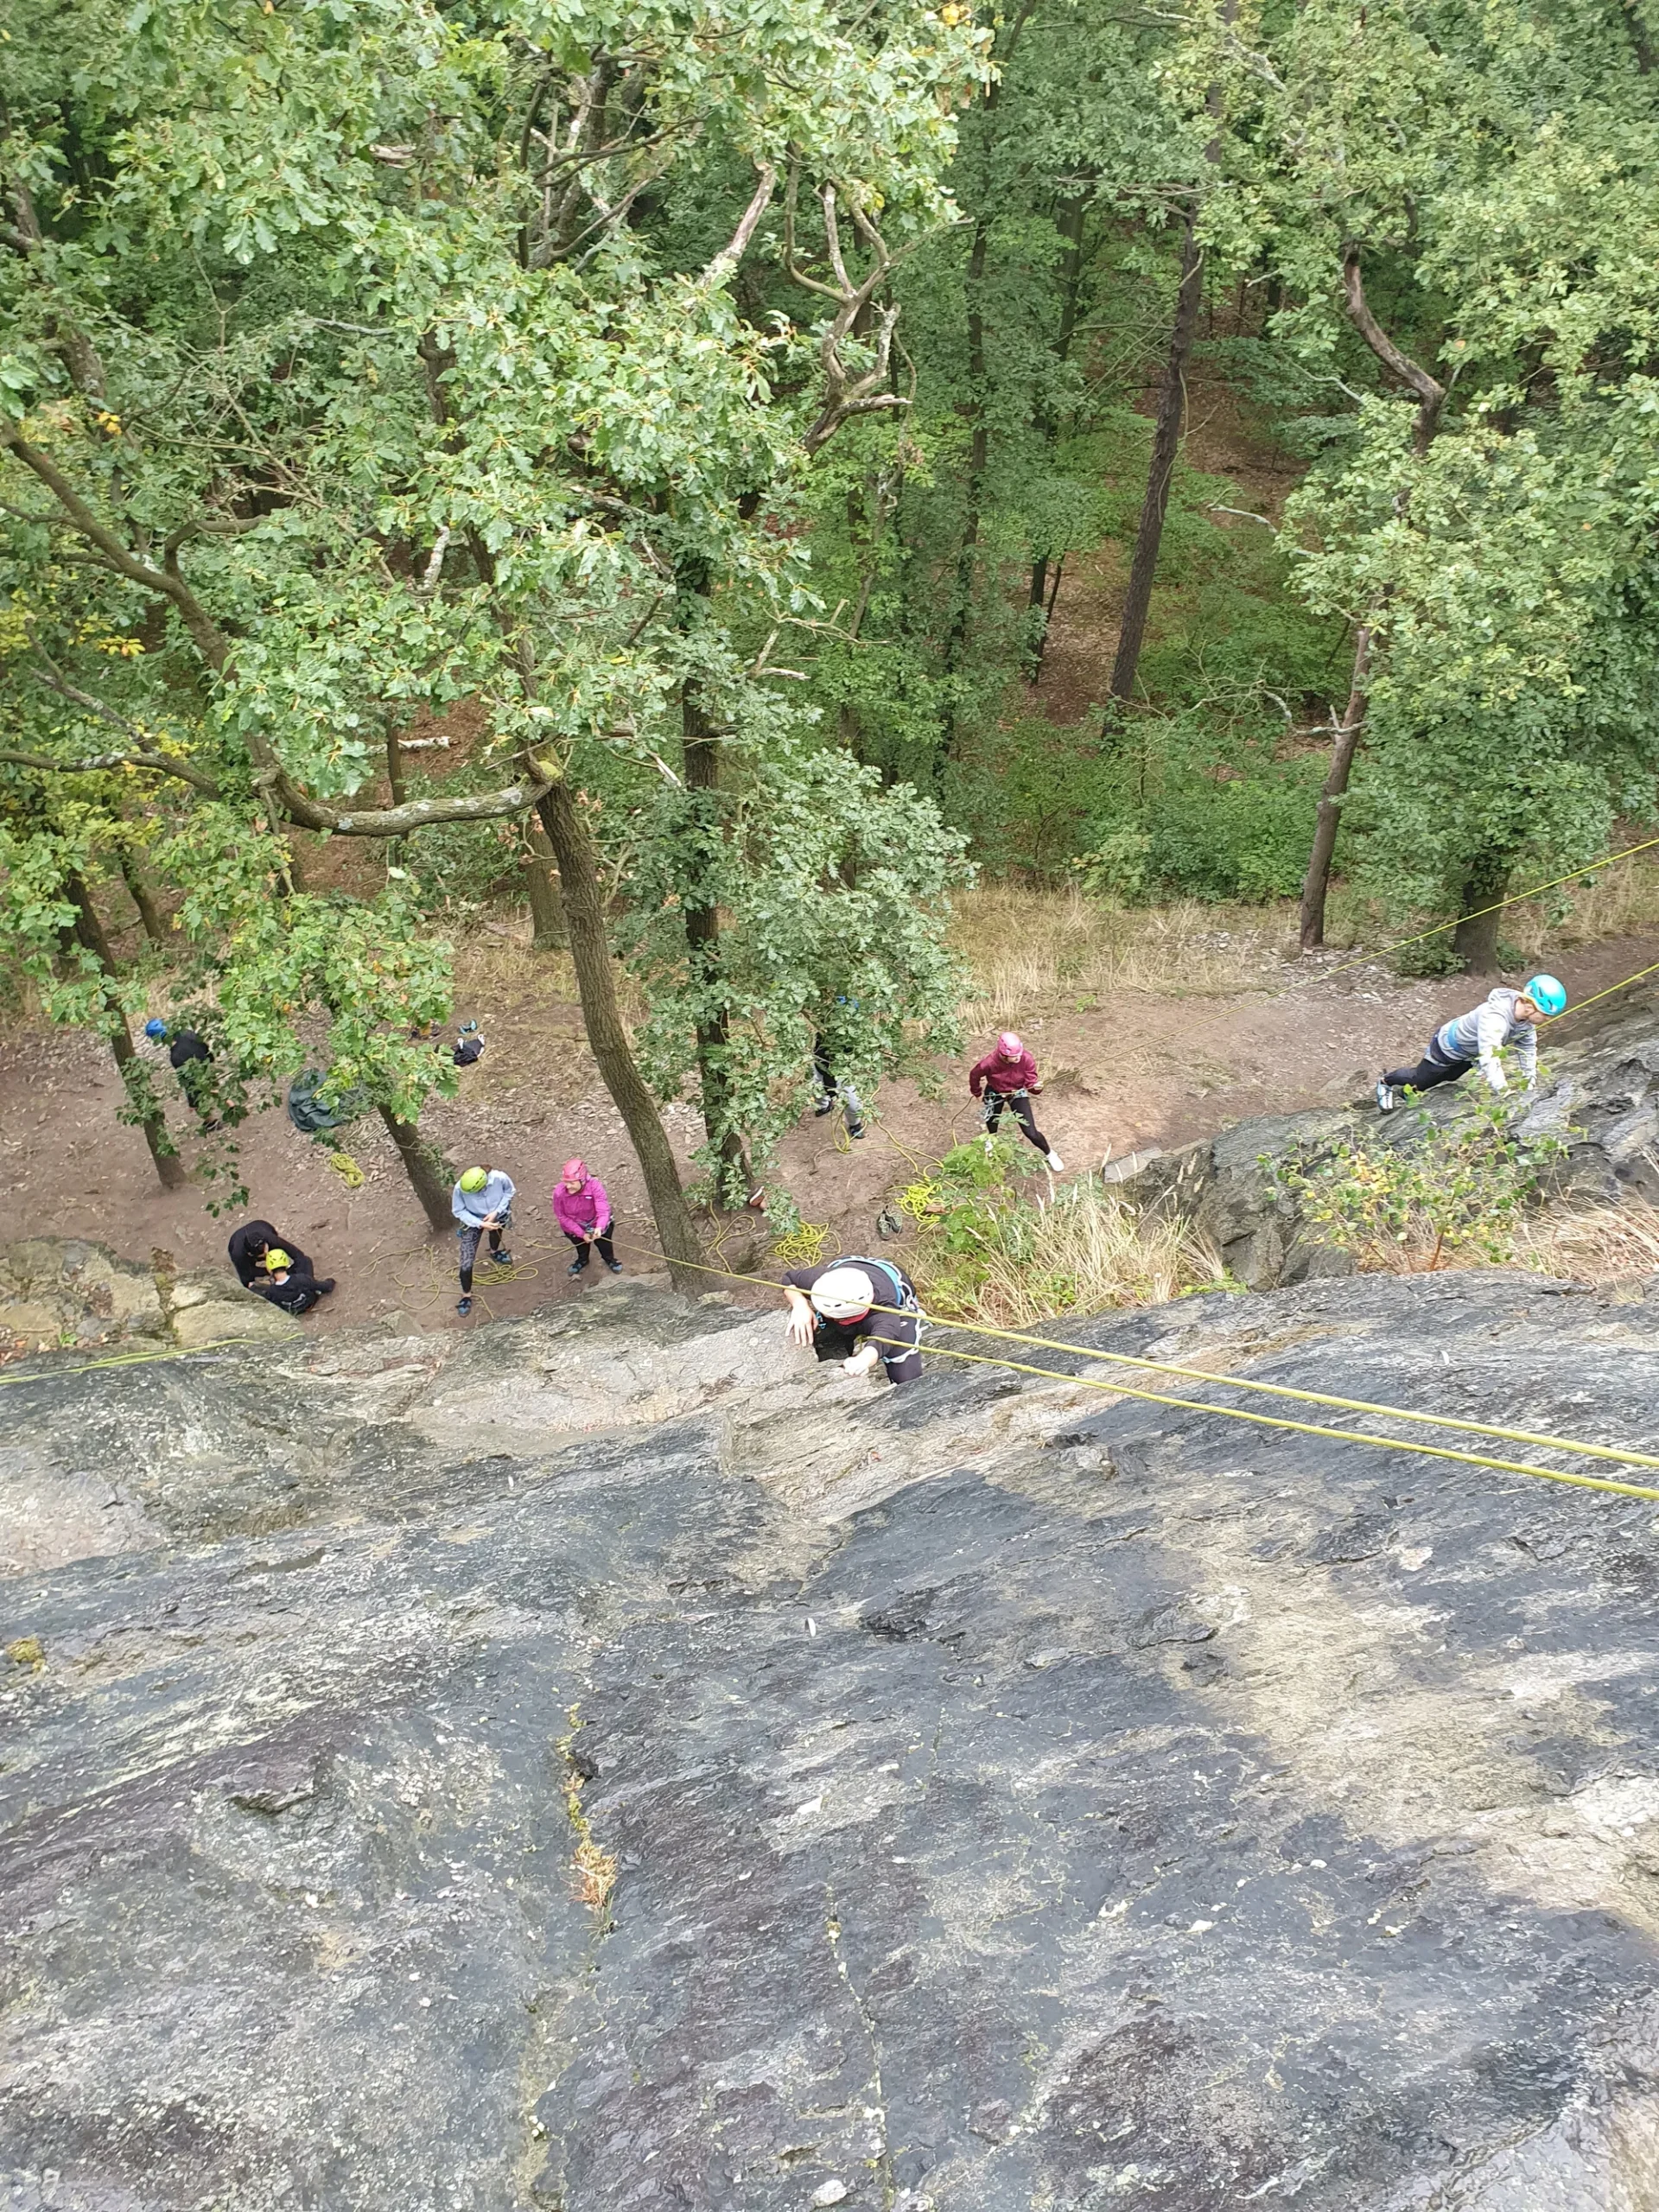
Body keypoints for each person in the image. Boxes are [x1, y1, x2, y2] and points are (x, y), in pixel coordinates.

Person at [1376, 975, 1567, 1112]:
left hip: (1469, 1054)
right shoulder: (1495, 1017)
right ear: (1529, 1005)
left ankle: (1409, 1093)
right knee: (1419, 1078)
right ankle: (1386, 1082)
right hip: (1448, 1047)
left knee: (1449, 1078)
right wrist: (1504, 1093)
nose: (1546, 1019)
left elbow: (1527, 1049)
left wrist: (1529, 1083)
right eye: (1545, 1015)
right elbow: (1490, 1056)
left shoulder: (1525, 1022)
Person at [781, 1257, 923, 1386]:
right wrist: (800, 1305)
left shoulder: (885, 1312)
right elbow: (789, 1279)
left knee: (907, 1378)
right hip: (848, 1269)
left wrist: (863, 1361)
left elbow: (884, 1339)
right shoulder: (821, 1282)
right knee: (827, 1346)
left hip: (896, 1289)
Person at [968, 1031, 1064, 1171]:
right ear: (1004, 1055)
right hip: (995, 1091)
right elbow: (974, 1075)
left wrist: (1036, 1088)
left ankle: (1050, 1154)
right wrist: (977, 1092)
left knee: (1030, 1132)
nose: (1018, 1057)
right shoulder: (988, 1063)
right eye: (1014, 1056)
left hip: (1017, 1092)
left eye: (1019, 1053)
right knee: (992, 1121)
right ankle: (992, 1140)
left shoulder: (1026, 1059)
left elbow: (1031, 1084)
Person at [452, 1164, 515, 1314]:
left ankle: (494, 1251)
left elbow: (509, 1191)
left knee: (496, 1233)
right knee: (466, 1263)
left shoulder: (499, 1178)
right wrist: (480, 1223)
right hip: (472, 1222)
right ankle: (466, 1295)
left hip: (497, 1215)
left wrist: (496, 1212)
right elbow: (458, 1210)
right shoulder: (460, 1188)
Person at [552, 1158, 622, 1277]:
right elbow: (561, 1216)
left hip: (597, 1223)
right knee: (581, 1246)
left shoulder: (594, 1186)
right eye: (566, 1182)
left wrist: (600, 1227)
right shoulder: (559, 1193)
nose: (568, 1186)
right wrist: (581, 1233)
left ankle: (609, 1259)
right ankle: (583, 1260)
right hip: (574, 1227)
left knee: (604, 1244)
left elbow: (603, 1209)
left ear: (582, 1180)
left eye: (572, 1183)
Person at [145, 1017, 219, 1129]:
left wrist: (192, 1102)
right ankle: (232, 1108)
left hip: (197, 1076)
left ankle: (211, 1122)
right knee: (216, 1089)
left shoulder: (176, 1057)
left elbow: (188, 1082)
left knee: (200, 1103)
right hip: (207, 1065)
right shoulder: (187, 1033)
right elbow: (204, 1045)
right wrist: (210, 1059)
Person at [227, 1219, 317, 1289]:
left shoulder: (270, 1239)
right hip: (238, 1246)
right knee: (247, 1281)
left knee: (303, 1261)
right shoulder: (238, 1254)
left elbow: (297, 1254)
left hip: (262, 1226)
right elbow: (248, 1273)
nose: (267, 1254)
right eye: (264, 1256)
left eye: (267, 1250)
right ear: (253, 1255)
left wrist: (302, 1276)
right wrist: (275, 1271)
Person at [248, 1247, 334, 1315]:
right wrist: (330, 1282)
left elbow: (268, 1298)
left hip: (292, 1310)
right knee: (306, 1261)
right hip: (308, 1302)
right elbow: (325, 1287)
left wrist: (252, 1288)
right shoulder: (301, 1279)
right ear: (286, 1264)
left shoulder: (272, 1291)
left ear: (269, 1269)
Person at [811, 1033, 865, 1139]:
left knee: (853, 1106)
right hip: (820, 1063)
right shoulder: (823, 1024)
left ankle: (855, 1125)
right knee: (816, 1090)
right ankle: (823, 1107)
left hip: (843, 1070)